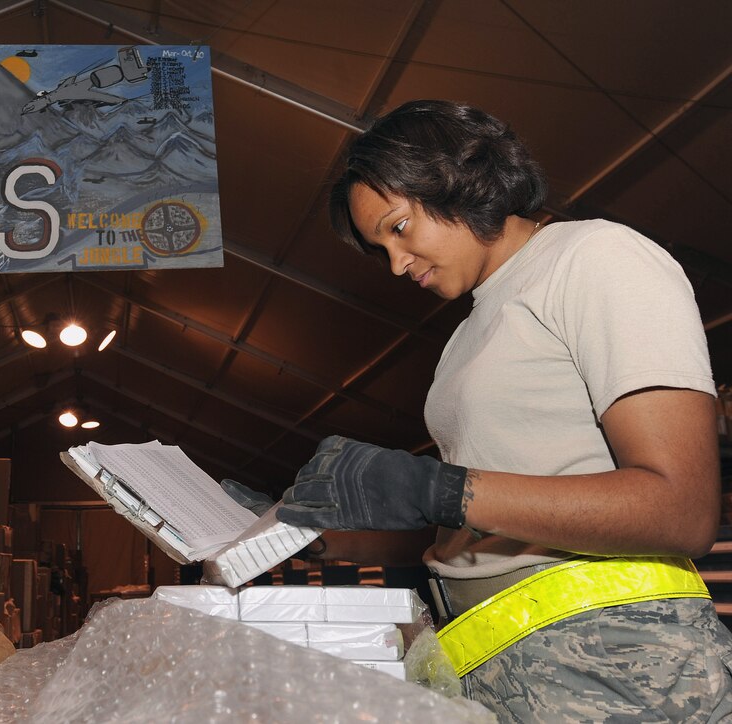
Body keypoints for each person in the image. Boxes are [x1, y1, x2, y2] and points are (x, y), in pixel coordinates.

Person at [224, 99, 732, 721]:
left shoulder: (596, 257)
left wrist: (438, 488)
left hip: (621, 666)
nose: (395, 264)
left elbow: (681, 509)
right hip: (504, 665)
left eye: (398, 227)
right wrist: (303, 534)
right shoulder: (472, 330)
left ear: (454, 177)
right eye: (379, 248)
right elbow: (477, 525)